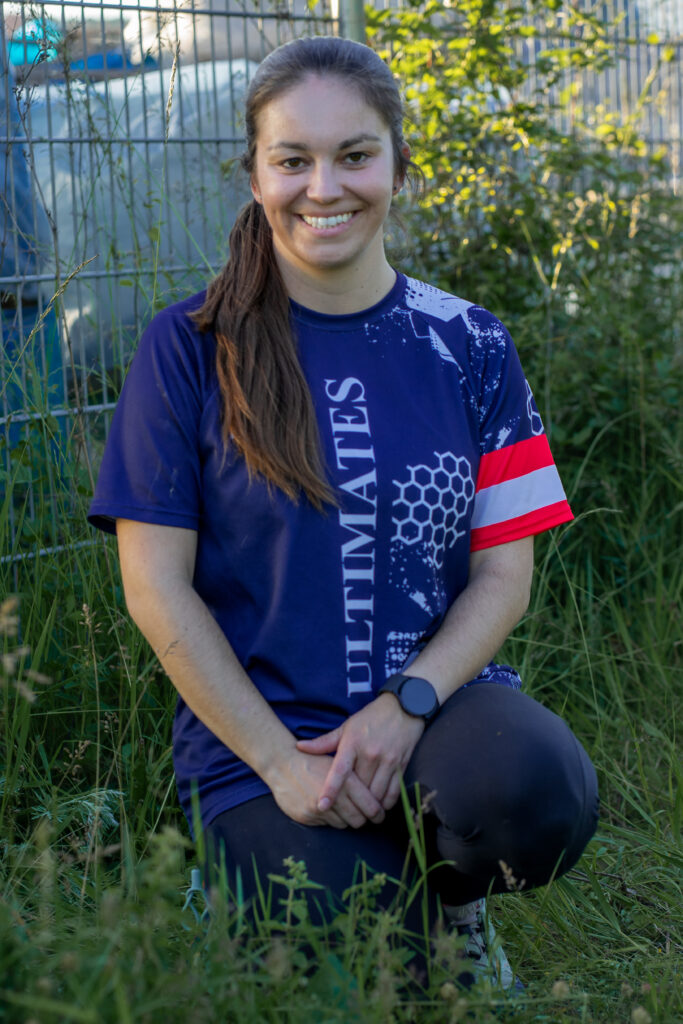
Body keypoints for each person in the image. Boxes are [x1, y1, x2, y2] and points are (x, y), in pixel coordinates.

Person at [88, 36, 599, 988]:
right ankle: (242, 876)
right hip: (265, 745)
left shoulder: (469, 343)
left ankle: (458, 895)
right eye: (293, 160)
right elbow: (156, 591)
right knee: (364, 969)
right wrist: (282, 765)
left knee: (540, 799)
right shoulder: (189, 347)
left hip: (434, 715)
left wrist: (407, 707)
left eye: (354, 155)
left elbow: (505, 574)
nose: (324, 187)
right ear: (254, 174)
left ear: (399, 166)